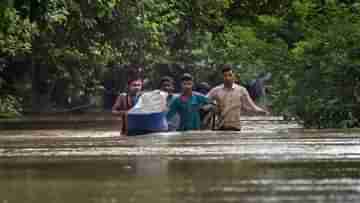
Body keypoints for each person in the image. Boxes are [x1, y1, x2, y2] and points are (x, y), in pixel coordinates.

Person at [207, 64, 269, 131]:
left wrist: (261, 111)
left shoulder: (241, 90)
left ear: (234, 76)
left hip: (236, 127)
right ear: (222, 77)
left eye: (230, 75)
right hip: (220, 127)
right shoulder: (216, 90)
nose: (227, 78)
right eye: (225, 76)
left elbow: (252, 106)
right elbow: (204, 101)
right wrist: (212, 106)